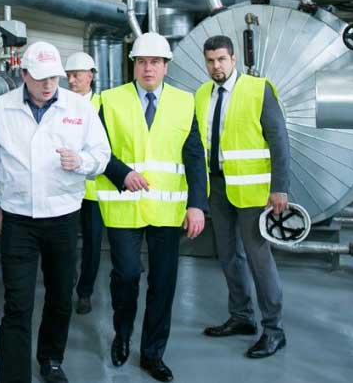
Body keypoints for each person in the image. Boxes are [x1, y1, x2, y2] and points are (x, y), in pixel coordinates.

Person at [0, 41, 111, 383]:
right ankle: (13, 376)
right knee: (17, 302)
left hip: (63, 216)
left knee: (60, 294)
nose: (49, 84)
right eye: (40, 78)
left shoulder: (78, 107)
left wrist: (82, 162)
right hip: (18, 218)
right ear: (23, 74)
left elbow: (102, 154)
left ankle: (50, 358)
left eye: (54, 77)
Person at [96, 32, 208, 382]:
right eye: (142, 61)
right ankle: (123, 334)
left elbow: (194, 156)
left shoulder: (183, 102)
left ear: (165, 66)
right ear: (134, 64)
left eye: (155, 62)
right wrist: (121, 173)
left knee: (164, 282)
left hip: (166, 209)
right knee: (126, 275)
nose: (148, 68)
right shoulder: (110, 100)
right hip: (124, 205)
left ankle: (152, 353)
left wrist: (197, 206)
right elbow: (97, 149)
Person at [195, 35, 290, 359]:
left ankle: (274, 330)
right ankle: (241, 317)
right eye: (210, 60)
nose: (215, 66)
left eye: (221, 59)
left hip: (253, 191)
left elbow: (279, 139)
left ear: (233, 59)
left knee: (258, 259)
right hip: (217, 188)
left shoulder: (257, 88)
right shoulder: (202, 94)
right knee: (227, 256)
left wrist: (279, 187)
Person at [64, 51, 104, 316]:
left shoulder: (104, 105)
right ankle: (64, 287)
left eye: (76, 75)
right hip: (65, 188)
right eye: (68, 75)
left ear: (90, 75)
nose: (71, 80)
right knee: (64, 243)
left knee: (92, 244)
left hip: (93, 190)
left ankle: (85, 292)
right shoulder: (61, 104)